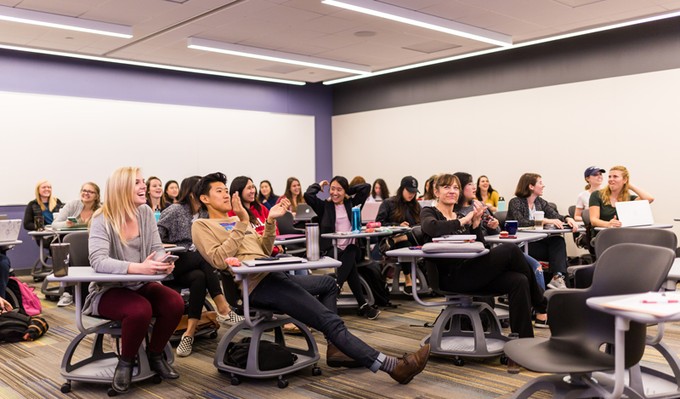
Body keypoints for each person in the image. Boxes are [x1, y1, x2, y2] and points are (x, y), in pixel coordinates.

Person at [191, 172, 430, 384]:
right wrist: (242, 223)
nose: (226, 194)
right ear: (204, 198)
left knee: (328, 283)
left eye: (225, 190)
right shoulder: (203, 225)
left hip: (274, 275)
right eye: (219, 191)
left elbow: (263, 251)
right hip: (254, 286)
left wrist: (271, 220)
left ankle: (336, 347)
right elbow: (219, 260)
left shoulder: (236, 220)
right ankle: (393, 367)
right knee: (329, 320)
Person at [86, 167, 184, 394]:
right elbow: (98, 262)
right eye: (137, 182)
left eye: (143, 182)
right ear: (121, 188)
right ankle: (126, 361)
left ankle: (155, 353)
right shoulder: (102, 218)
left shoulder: (146, 212)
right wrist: (138, 267)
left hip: (140, 284)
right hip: (107, 290)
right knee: (140, 310)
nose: (144, 186)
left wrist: (164, 261)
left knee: (175, 302)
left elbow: (157, 248)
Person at [420, 174, 548, 336]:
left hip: (470, 273)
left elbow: (480, 247)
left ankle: (523, 340)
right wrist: (464, 221)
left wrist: (474, 226)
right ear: (436, 192)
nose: (452, 191)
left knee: (519, 280)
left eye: (455, 188)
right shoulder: (429, 212)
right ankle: (541, 304)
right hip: (448, 278)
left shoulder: (460, 217)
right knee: (510, 249)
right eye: (446, 187)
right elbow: (432, 228)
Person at [158, 176, 239, 357]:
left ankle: (189, 333)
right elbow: (155, 239)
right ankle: (223, 307)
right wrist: (172, 248)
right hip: (174, 262)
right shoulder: (175, 210)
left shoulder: (204, 214)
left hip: (194, 267)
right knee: (204, 257)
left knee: (199, 278)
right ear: (193, 192)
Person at [454, 172, 545, 291]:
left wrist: (494, 226)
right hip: (478, 253)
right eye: (470, 184)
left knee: (535, 266)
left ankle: (538, 303)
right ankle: (540, 304)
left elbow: (497, 232)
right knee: (523, 260)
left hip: (492, 248)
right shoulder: (455, 211)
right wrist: (472, 222)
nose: (474, 187)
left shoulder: (479, 205)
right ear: (461, 187)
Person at [305, 177, 380, 319]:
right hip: (331, 251)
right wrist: (318, 186)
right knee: (350, 265)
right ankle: (363, 305)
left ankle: (336, 287)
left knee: (351, 250)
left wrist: (346, 191)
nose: (334, 192)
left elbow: (366, 187)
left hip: (352, 249)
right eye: (332, 189)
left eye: (339, 189)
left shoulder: (352, 204)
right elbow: (308, 195)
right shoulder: (324, 207)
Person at [507, 173, 578, 290]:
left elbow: (555, 215)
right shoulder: (515, 202)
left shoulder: (540, 202)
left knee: (558, 241)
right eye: (540, 183)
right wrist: (543, 221)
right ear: (531, 186)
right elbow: (521, 221)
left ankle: (557, 278)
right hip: (522, 245)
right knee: (559, 255)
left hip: (538, 243)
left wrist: (568, 218)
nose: (543, 185)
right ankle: (560, 289)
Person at [51, 181, 102, 307]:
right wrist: (66, 224)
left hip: (91, 241)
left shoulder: (100, 209)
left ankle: (91, 289)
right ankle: (67, 292)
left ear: (96, 196)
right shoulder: (73, 205)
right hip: (68, 240)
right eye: (84, 190)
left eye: (90, 192)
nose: (86, 193)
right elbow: (54, 224)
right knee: (68, 256)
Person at [375, 176, 421, 293]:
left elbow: (421, 225)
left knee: (414, 236)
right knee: (405, 244)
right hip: (390, 240)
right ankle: (408, 279)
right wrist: (397, 225)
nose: (412, 195)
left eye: (414, 192)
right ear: (402, 189)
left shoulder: (416, 206)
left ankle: (398, 239)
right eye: (409, 191)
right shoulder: (389, 203)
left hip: (412, 238)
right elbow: (379, 224)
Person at [589, 165, 655, 229]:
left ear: (625, 180)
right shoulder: (597, 195)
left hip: (622, 234)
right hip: (602, 234)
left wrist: (629, 185)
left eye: (615, 177)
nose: (611, 179)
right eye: (609, 177)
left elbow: (649, 199)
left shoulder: (629, 199)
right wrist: (608, 224)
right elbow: (593, 220)